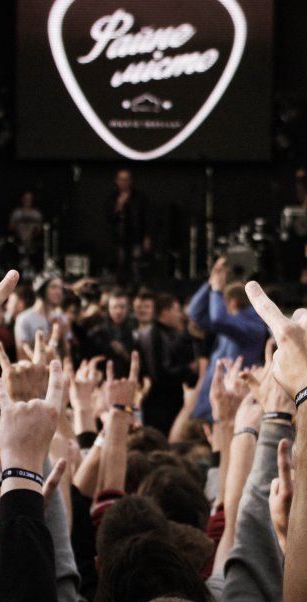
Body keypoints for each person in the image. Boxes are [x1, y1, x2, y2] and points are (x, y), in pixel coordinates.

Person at [186, 257, 268, 421]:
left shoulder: (254, 327)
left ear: (233, 302)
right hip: (213, 404)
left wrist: (216, 290)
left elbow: (218, 319)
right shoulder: (231, 324)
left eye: (221, 302)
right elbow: (194, 313)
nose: (218, 305)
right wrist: (210, 282)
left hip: (232, 409)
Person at [137, 292, 196, 436]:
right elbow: (158, 373)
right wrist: (189, 369)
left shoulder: (164, 333)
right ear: (165, 312)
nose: (180, 314)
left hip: (167, 401)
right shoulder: (154, 335)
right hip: (160, 405)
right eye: (176, 310)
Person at [107, 169, 151, 287]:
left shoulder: (138, 197)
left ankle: (137, 287)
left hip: (135, 236)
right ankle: (121, 286)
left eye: (126, 180)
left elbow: (145, 218)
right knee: (120, 263)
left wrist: (147, 236)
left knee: (136, 264)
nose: (124, 182)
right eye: (121, 179)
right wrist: (119, 205)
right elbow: (109, 217)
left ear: (130, 181)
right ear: (116, 181)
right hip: (119, 237)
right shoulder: (113, 197)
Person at [14, 272, 64, 348]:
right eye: (53, 287)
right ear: (42, 289)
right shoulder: (24, 319)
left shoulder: (58, 317)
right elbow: (22, 354)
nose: (59, 292)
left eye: (60, 288)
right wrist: (53, 334)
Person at [9, 190, 44, 274]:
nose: (27, 201)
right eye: (26, 199)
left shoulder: (36, 213)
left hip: (33, 238)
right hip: (18, 238)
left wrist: (31, 232)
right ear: (22, 199)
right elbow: (11, 227)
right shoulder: (17, 213)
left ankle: (27, 259)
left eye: (30, 199)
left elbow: (41, 229)